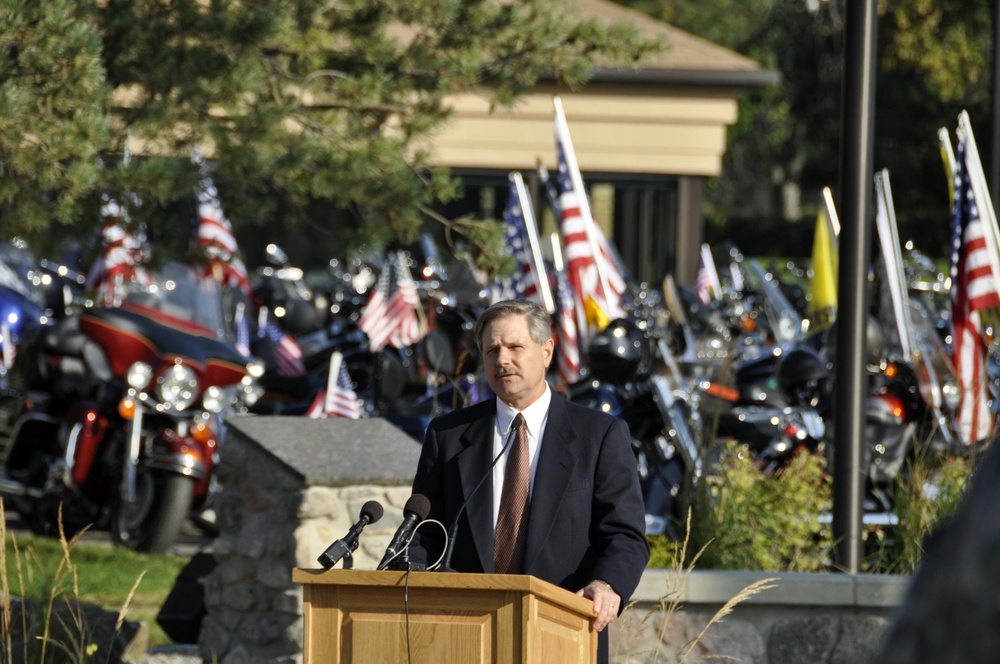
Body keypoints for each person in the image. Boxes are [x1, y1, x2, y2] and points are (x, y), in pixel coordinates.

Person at [408, 299, 650, 663]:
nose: (502, 360)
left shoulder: (599, 436)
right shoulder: (449, 436)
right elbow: (424, 533)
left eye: (515, 347)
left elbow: (625, 535)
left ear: (547, 351)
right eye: (491, 350)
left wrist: (607, 584)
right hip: (464, 637)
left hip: (561, 633)